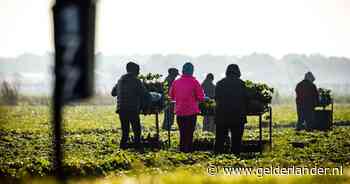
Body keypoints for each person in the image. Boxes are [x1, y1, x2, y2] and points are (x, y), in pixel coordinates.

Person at [169, 62, 205, 153]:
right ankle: (188, 151)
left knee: (182, 133)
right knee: (189, 133)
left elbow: (171, 96)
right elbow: (201, 97)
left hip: (179, 111)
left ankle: (182, 151)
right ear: (192, 71)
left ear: (183, 71)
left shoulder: (176, 82)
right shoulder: (195, 82)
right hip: (191, 112)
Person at [111, 62, 147, 151]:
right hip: (132, 109)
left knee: (125, 131)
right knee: (137, 130)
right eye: (138, 70)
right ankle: (138, 149)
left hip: (121, 109)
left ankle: (122, 150)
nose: (139, 72)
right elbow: (144, 94)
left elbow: (113, 93)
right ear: (134, 70)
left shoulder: (120, 80)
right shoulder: (136, 81)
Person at [214, 64, 248, 154]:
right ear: (238, 72)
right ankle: (235, 159)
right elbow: (246, 99)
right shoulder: (241, 84)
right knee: (236, 141)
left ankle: (218, 159)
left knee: (220, 140)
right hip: (238, 115)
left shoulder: (220, 83)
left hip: (222, 115)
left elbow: (216, 98)